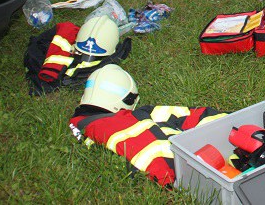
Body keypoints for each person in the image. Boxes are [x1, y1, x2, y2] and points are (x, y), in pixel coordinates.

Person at [69, 65, 226, 187]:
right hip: (195, 168)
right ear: (129, 100)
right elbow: (163, 167)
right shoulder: (122, 122)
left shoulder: (81, 125)